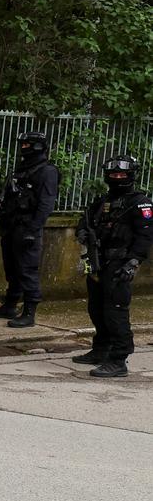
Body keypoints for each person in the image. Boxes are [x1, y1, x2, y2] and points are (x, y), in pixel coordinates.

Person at [72, 154, 152, 378]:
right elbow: (85, 221)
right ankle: (101, 349)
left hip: (121, 264)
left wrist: (133, 262)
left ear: (131, 175)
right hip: (99, 262)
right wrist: (82, 232)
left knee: (115, 311)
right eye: (113, 174)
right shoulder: (102, 201)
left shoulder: (140, 202)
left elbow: (145, 237)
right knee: (96, 308)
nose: (117, 178)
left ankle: (118, 359)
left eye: (122, 174)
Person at [0, 131, 60, 328]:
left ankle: (29, 312)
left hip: (28, 227)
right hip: (12, 225)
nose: (23, 148)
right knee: (12, 268)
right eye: (22, 144)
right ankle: (10, 305)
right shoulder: (21, 169)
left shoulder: (47, 171)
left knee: (27, 270)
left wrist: (33, 230)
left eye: (27, 144)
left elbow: (46, 204)